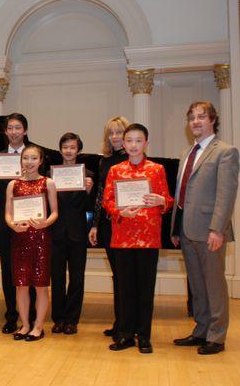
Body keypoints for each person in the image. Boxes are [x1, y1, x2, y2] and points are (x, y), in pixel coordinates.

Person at [171, 101, 239, 355]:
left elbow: (226, 194)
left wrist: (218, 229)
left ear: (213, 120)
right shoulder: (188, 153)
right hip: (187, 230)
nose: (196, 121)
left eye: (202, 117)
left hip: (210, 230)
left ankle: (217, 336)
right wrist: (175, 228)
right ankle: (200, 330)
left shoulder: (226, 151)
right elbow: (182, 193)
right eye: (192, 118)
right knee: (197, 285)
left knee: (214, 285)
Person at [0, 113, 61, 334]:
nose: (13, 131)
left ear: (25, 130)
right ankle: (13, 318)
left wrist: (43, 223)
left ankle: (34, 322)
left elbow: (53, 206)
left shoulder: (40, 164)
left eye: (18, 127)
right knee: (13, 275)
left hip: (37, 231)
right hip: (8, 225)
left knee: (37, 279)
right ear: (5, 131)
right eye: (9, 128)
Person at [102, 123, 173, 353]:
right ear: (123, 144)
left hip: (148, 237)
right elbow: (107, 201)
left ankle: (144, 336)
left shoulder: (157, 169)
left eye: (138, 140)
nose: (133, 145)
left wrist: (161, 201)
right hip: (122, 237)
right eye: (129, 140)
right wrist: (118, 211)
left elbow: (168, 200)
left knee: (145, 288)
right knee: (125, 288)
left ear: (146, 144)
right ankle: (125, 335)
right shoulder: (115, 170)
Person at [5, 145, 58, 341]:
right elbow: (8, 214)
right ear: (21, 160)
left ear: (41, 160)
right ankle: (25, 324)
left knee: (41, 285)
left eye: (33, 158)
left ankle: (38, 326)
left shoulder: (48, 183)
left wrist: (45, 222)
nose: (29, 162)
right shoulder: (13, 185)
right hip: (20, 238)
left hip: (41, 238)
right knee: (21, 285)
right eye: (26, 158)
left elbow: (55, 212)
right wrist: (13, 225)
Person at [88, 116, 130, 338]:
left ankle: (127, 324)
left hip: (127, 224)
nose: (114, 137)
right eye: (111, 133)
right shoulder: (104, 161)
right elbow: (100, 195)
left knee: (126, 275)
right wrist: (94, 224)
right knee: (117, 274)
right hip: (107, 224)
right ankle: (119, 322)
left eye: (119, 132)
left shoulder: (132, 160)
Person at [50, 132, 94, 335]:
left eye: (72, 147)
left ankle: (72, 319)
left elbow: (89, 207)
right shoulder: (50, 176)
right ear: (60, 150)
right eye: (65, 147)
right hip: (55, 232)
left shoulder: (88, 176)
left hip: (78, 232)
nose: (68, 150)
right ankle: (58, 318)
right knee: (57, 278)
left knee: (77, 278)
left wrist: (88, 191)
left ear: (78, 150)